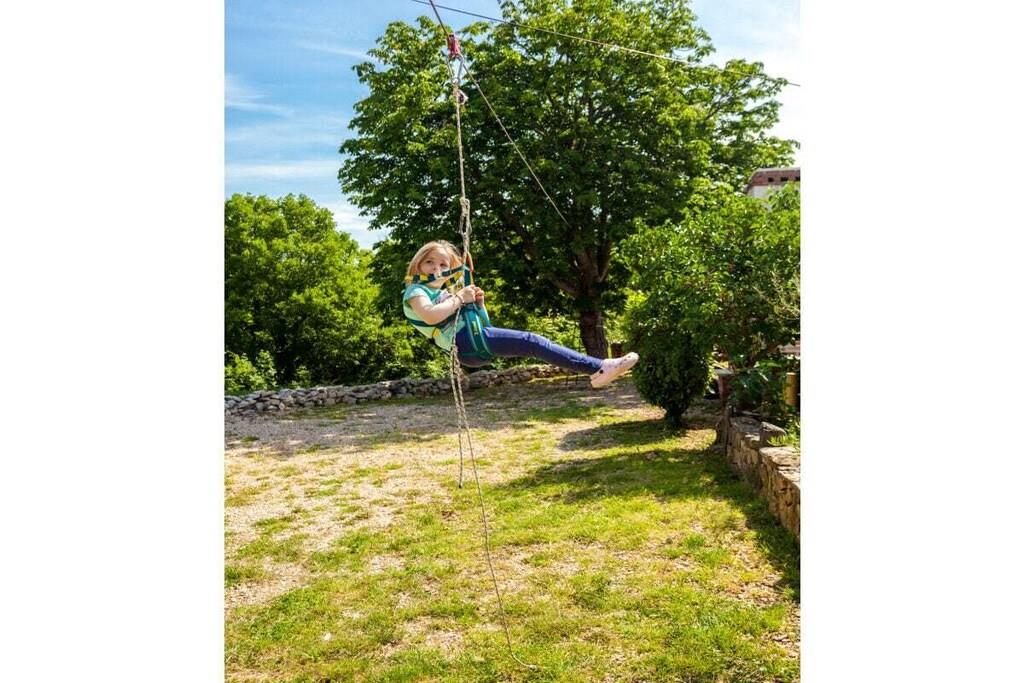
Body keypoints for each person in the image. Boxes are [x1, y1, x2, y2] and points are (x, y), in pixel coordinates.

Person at [402, 240, 638, 388]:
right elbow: (430, 316)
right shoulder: (416, 291)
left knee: (532, 344)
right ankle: (598, 367)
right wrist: (460, 298)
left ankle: (597, 369)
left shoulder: (444, 293)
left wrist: (478, 305)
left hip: (473, 343)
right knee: (532, 341)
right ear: (418, 265)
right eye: (430, 262)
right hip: (465, 344)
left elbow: (484, 324)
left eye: (443, 265)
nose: (437, 268)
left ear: (451, 270)